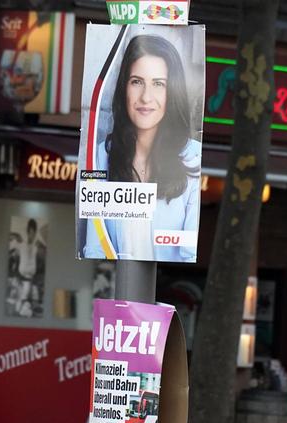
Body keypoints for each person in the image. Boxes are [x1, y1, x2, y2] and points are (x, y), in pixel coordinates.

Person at [84, 34, 201, 262]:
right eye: (137, 81)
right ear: (124, 88)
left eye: (159, 84)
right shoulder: (100, 156)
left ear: (173, 92)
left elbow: (188, 253)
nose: (146, 97)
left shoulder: (192, 157)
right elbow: (95, 246)